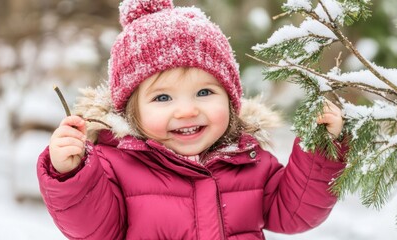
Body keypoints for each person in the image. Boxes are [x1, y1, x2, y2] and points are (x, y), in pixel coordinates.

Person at [37, 0, 348, 239]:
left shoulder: (249, 160)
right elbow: (92, 229)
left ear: (230, 98)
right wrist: (71, 174)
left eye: (203, 92)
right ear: (131, 110)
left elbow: (295, 213)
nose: (186, 111)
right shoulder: (114, 166)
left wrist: (321, 148)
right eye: (163, 98)